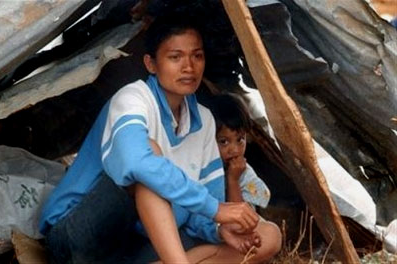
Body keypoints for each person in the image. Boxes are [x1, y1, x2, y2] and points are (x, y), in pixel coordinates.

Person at [39, 13, 261, 264]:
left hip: (135, 241)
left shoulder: (205, 120)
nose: (189, 67)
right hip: (77, 238)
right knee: (148, 157)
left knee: (268, 237)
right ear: (151, 64)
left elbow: (204, 206)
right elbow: (136, 164)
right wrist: (216, 209)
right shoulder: (132, 100)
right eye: (175, 57)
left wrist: (218, 228)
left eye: (197, 56)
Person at [203, 93, 282, 262]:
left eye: (240, 139)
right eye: (223, 141)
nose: (235, 149)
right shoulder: (200, 168)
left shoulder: (243, 173)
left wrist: (233, 180)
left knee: (272, 233)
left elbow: (240, 224)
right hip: (206, 235)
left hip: (234, 239)